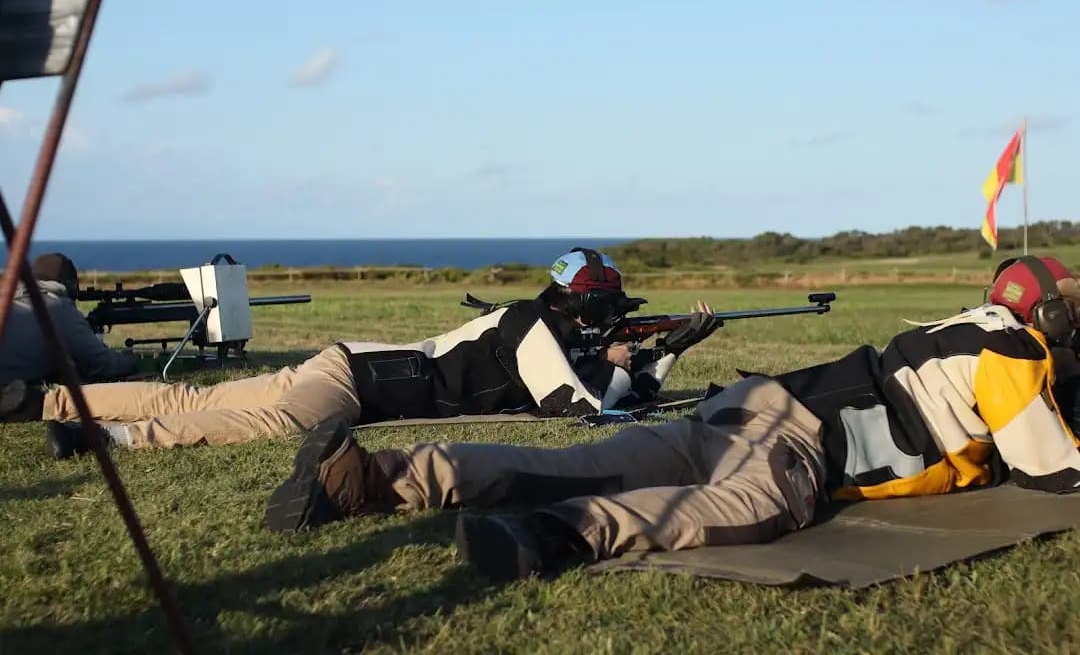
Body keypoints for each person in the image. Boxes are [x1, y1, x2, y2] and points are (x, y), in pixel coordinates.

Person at [263, 254, 1080, 583]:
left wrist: (665, 356)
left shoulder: (966, 331)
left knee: (588, 461)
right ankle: (554, 536)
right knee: (752, 507)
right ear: (1050, 316)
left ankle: (377, 476)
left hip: (747, 405)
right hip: (802, 442)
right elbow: (1052, 468)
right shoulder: (1016, 356)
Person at [42, 248, 721, 458]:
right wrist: (629, 369)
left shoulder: (544, 326)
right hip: (358, 386)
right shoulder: (528, 323)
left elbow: (603, 390)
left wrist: (666, 358)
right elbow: (575, 406)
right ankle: (114, 436)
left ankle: (50, 401)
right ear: (588, 306)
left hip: (347, 366)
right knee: (279, 423)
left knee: (192, 395)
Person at [0, 253, 138, 422]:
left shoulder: (11, 304)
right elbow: (103, 365)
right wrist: (132, 359)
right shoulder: (57, 307)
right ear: (70, 285)